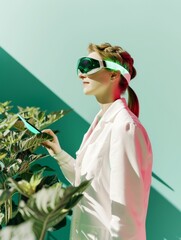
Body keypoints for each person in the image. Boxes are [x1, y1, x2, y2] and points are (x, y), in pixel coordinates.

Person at [43, 43, 153, 240]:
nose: (81, 74)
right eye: (80, 66)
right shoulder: (100, 123)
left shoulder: (124, 127)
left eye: (88, 65)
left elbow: (127, 213)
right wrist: (58, 153)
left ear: (113, 75)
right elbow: (88, 182)